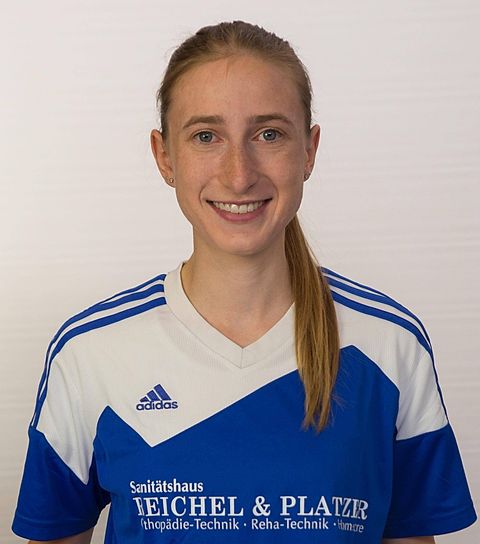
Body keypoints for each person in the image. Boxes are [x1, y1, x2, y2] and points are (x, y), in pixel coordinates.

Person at [12, 20, 476, 544]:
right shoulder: (90, 352)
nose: (238, 175)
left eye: (269, 134)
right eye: (206, 136)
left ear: (309, 151)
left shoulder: (389, 345)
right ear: (165, 156)